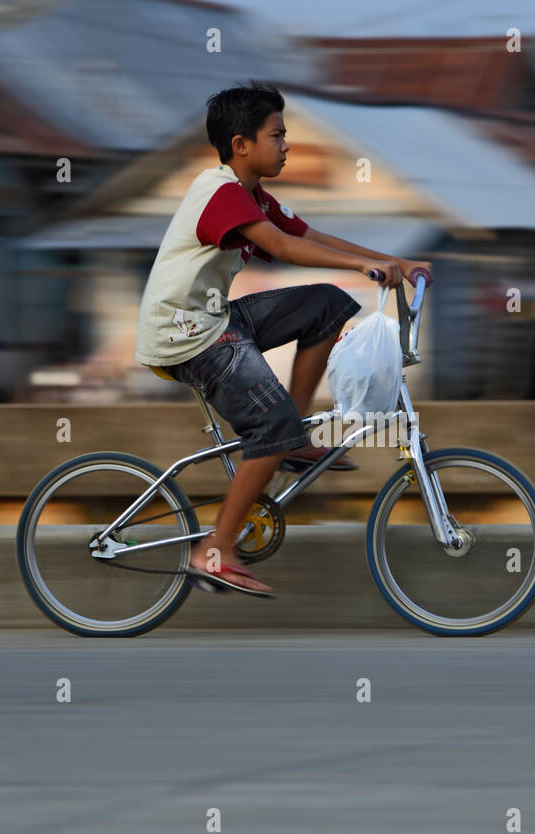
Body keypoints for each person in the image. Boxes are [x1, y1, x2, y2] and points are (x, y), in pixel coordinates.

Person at [135, 81, 432, 597]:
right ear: (240, 144)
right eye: (278, 135)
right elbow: (280, 247)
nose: (287, 145)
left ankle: (293, 441)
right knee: (269, 424)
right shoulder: (220, 193)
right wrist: (365, 265)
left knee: (328, 304)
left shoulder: (253, 196)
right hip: (185, 335)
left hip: (214, 319)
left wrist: (396, 262)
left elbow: (306, 237)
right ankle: (215, 551)